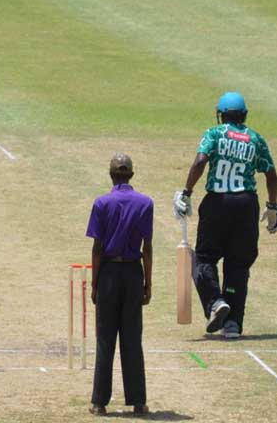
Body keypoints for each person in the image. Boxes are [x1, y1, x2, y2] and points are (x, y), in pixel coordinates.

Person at [173, 92, 277, 339]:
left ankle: (215, 302)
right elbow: (271, 174)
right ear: (244, 115)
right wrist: (272, 205)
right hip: (246, 205)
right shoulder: (256, 139)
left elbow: (201, 161)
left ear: (221, 115)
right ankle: (233, 324)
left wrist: (187, 192)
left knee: (204, 258)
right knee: (238, 264)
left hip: (217, 203)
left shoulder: (214, 133)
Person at [86, 153, 152, 416]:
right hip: (134, 272)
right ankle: (139, 402)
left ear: (111, 175)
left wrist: (94, 284)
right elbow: (147, 247)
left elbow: (97, 248)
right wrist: (148, 282)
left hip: (110, 273)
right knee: (132, 338)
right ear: (131, 176)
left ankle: (99, 402)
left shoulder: (102, 203)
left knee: (105, 339)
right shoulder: (145, 203)